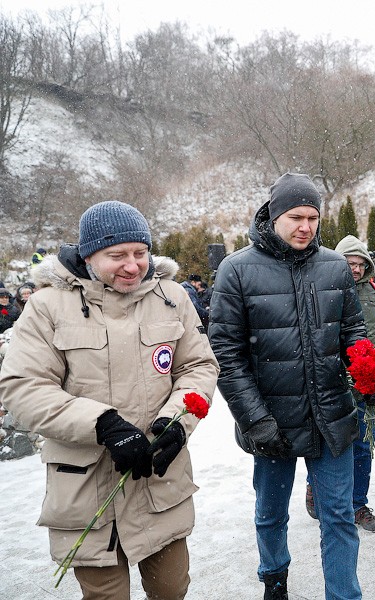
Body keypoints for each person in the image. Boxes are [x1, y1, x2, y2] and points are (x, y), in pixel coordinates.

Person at [0, 200, 219, 600]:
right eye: (117, 255)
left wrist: (176, 422)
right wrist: (101, 424)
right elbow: (23, 386)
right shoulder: (48, 306)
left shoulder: (171, 296)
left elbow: (198, 367)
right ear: (88, 256)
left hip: (158, 480)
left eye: (140, 253)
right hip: (87, 489)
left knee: (171, 590)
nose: (133, 266)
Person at [208, 173, 367, 600]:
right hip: (271, 420)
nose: (305, 227)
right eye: (296, 217)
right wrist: (255, 420)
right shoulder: (237, 269)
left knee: (339, 516)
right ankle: (274, 578)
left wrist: (368, 372)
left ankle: (344, 595)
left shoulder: (334, 265)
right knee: (271, 513)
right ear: (274, 215)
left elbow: (352, 331)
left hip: (331, 416)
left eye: (313, 218)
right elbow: (226, 355)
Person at [305, 234, 375, 534]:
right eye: (349, 263)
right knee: (329, 444)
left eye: (360, 264)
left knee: (363, 446)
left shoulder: (374, 292)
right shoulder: (323, 288)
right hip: (333, 384)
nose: (355, 269)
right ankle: (316, 489)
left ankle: (357, 505)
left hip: (367, 385)